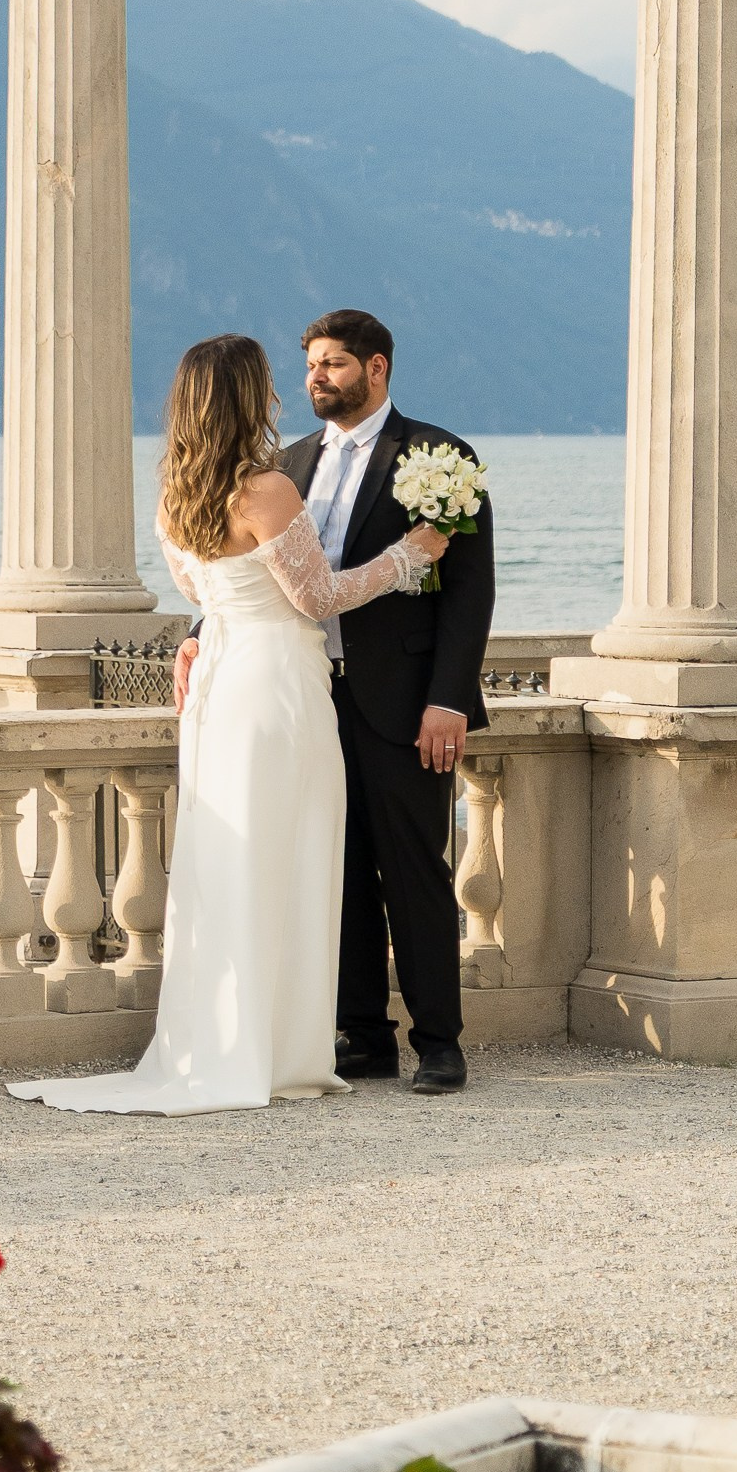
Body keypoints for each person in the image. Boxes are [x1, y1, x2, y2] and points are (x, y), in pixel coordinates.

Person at [8, 334, 443, 1118]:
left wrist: (199, 638)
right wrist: (409, 557)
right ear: (249, 398)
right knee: (293, 857)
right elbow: (316, 598)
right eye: (268, 384)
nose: (283, 393)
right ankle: (277, 1050)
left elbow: (212, 597)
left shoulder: (176, 497)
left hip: (221, 685)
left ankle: (232, 1041)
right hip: (278, 685)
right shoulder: (267, 489)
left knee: (232, 864)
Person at [259, 309, 494, 1095]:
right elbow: (262, 571)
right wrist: (197, 634)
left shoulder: (438, 456)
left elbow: (468, 593)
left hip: (404, 704)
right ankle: (362, 1035)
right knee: (340, 871)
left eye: (332, 364)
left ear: (377, 367)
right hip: (308, 698)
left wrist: (449, 702)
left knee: (414, 871)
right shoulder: (287, 463)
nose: (315, 379)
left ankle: (440, 1043)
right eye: (311, 366)